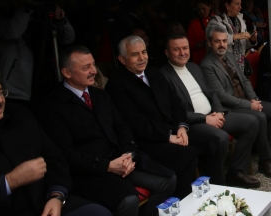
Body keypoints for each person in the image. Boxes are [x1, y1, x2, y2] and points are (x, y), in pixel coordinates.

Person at [40, 46, 177, 216]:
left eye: (93, 65)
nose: (93, 72)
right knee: (129, 200)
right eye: (86, 68)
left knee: (168, 180)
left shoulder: (100, 95)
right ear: (67, 73)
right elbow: (65, 153)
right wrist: (107, 166)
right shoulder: (53, 106)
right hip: (89, 172)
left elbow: (122, 126)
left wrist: (128, 153)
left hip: (120, 159)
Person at [0, 65, 111, 216]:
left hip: (47, 203)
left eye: (0, 92)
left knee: (98, 212)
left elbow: (55, 158)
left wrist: (57, 195)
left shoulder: (20, 115)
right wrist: (9, 182)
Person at [105, 36, 220, 196]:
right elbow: (134, 122)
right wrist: (168, 136)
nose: (141, 58)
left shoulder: (154, 73)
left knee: (214, 141)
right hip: (147, 141)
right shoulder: (117, 84)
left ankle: (214, 191)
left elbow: (176, 103)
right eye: (135, 54)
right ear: (122, 59)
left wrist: (181, 126)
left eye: (144, 52)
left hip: (174, 130)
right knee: (187, 156)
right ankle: (182, 202)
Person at [160, 34, 262, 188]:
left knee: (252, 122)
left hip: (214, 115)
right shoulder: (163, 76)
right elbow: (172, 112)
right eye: (177, 49)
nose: (182, 53)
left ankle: (235, 171)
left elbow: (211, 93)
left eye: (185, 48)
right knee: (220, 138)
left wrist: (219, 112)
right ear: (167, 53)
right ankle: (216, 183)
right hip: (192, 124)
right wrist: (205, 119)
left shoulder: (193, 67)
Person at [201, 25, 271, 178]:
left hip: (245, 100)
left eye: (224, 41)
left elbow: (245, 81)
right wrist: (250, 105)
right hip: (230, 107)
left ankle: (268, 151)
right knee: (259, 117)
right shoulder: (207, 65)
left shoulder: (230, 56)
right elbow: (222, 96)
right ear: (209, 43)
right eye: (217, 41)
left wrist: (254, 99)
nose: (222, 45)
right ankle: (265, 161)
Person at [0, 0, 75, 103]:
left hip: (46, 83)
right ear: (15, 0)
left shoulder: (41, 20)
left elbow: (68, 39)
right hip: (17, 91)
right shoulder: (2, 22)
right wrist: (26, 6)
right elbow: (13, 33)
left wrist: (61, 20)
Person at [207, 0, 257, 72]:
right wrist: (235, 36)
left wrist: (252, 40)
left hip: (240, 66)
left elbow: (243, 46)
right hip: (222, 66)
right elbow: (213, 43)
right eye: (237, 4)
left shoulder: (241, 20)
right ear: (227, 5)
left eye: (240, 4)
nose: (240, 7)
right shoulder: (216, 21)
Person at [186, 0, 214, 65]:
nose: (201, 11)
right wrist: (195, 44)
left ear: (209, 6)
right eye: (199, 9)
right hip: (200, 59)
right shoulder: (193, 23)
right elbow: (188, 43)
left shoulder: (218, 20)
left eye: (204, 9)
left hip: (215, 58)